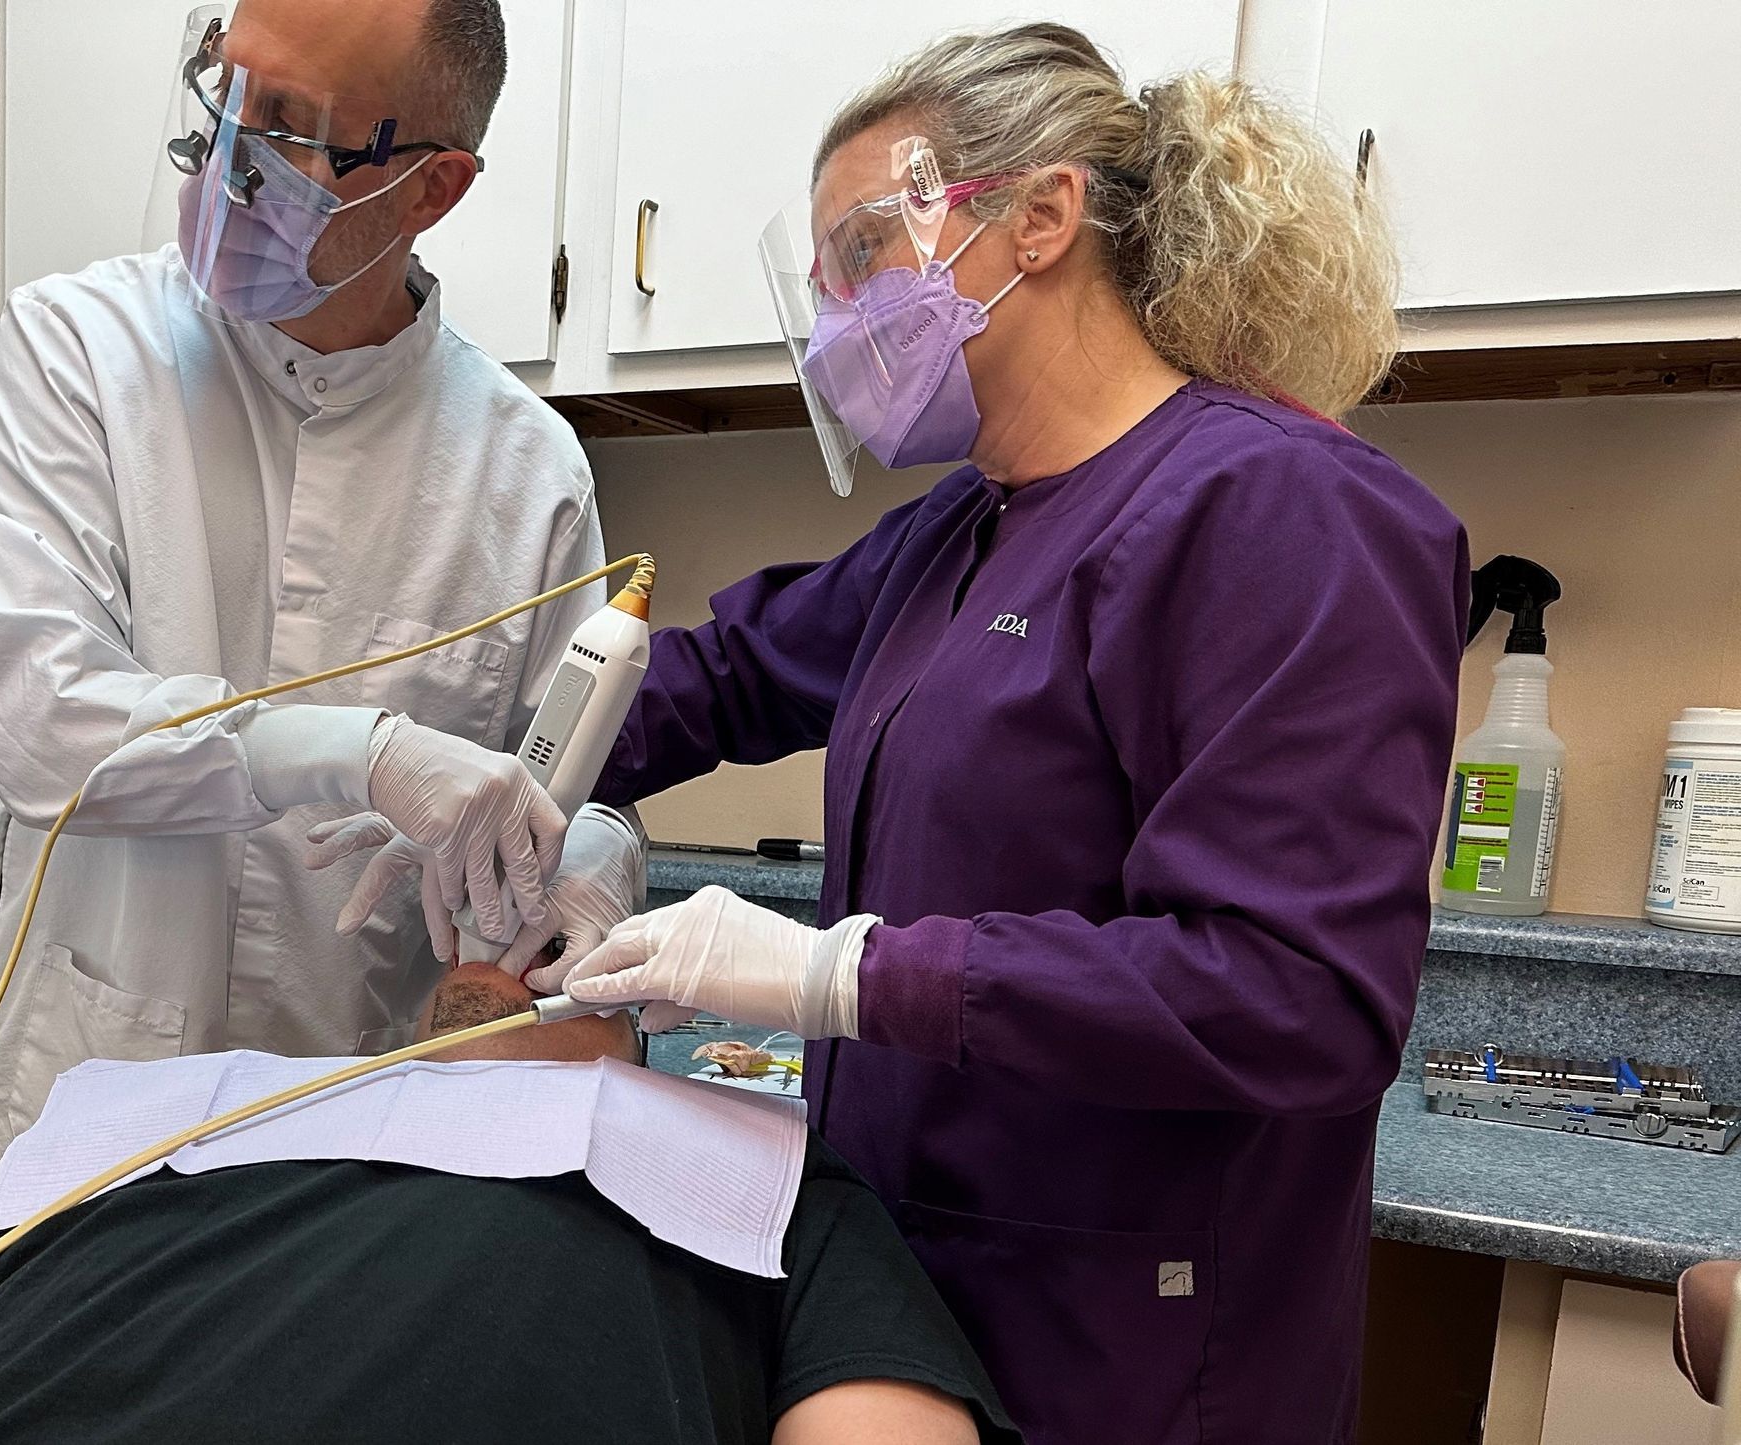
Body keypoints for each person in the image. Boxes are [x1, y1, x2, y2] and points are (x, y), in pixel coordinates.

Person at [538, 25, 1469, 1445]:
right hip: (916, 1301)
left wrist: (845, 972)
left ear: (1041, 217)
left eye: (863, 254)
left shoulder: (1284, 514)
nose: (839, 315)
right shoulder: (961, 532)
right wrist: (504, 770)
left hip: (1139, 1349)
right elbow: (722, 678)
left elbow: (1296, 993)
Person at [0, 0, 642, 1185]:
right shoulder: (76, 351)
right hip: (86, 1113)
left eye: (288, 127)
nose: (227, 154)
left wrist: (587, 865)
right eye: (227, 91)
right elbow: (43, 722)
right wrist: (359, 752)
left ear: (432, 189)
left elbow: (566, 780)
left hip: (363, 1131)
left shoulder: (529, 470)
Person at [0, 966, 1020, 1445]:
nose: (504, 948)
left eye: (553, 943)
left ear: (652, 1012)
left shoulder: (748, 1165)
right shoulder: (175, 1109)